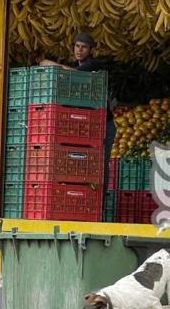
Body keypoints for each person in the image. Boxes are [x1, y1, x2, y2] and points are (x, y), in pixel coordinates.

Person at [40, 32, 115, 216]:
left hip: (103, 124)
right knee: (81, 161)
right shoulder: (77, 67)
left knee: (99, 163)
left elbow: (73, 73)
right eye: (77, 46)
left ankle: (100, 202)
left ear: (91, 50)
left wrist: (52, 65)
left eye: (84, 47)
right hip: (87, 126)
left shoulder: (94, 66)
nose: (79, 50)